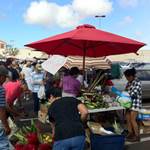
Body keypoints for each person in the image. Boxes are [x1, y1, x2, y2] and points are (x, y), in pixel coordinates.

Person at [124, 68, 142, 142]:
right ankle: (130, 133)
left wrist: (124, 95)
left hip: (135, 104)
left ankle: (137, 136)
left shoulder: (137, 82)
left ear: (131, 76)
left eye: (127, 77)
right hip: (128, 104)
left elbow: (133, 93)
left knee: (132, 119)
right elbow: (125, 91)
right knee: (127, 119)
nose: (127, 79)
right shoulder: (129, 83)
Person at [0, 65, 11, 149]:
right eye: (5, 77)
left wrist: (15, 113)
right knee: (3, 145)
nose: (5, 79)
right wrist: (6, 126)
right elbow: (1, 109)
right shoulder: (1, 89)